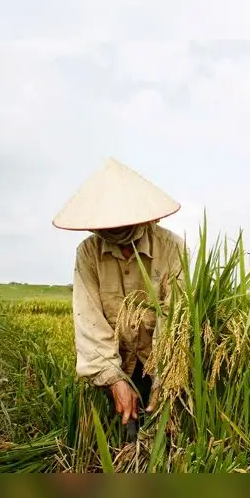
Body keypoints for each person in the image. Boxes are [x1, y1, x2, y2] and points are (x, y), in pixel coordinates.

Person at [52, 158, 186, 429]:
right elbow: (89, 319)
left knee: (169, 431)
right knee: (123, 430)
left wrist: (166, 378)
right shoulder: (88, 253)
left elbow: (175, 318)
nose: (114, 232)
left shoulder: (171, 247)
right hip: (116, 359)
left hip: (159, 358)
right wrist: (113, 379)